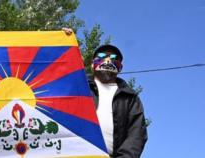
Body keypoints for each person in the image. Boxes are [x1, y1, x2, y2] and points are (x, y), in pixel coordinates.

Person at [63, 29, 147, 157]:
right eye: (102, 57)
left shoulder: (130, 98)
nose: (107, 60)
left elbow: (136, 134)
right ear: (92, 65)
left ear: (120, 67)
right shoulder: (78, 85)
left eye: (113, 58)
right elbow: (54, 81)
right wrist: (63, 43)